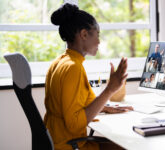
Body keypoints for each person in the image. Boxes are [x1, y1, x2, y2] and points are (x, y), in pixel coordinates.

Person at [44, 3, 133, 150]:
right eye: (97, 35)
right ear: (84, 34)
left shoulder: (59, 62)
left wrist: (103, 107)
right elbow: (74, 125)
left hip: (56, 141)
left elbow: (72, 107)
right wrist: (109, 90)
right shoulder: (73, 68)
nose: (99, 42)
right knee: (129, 145)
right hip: (69, 145)